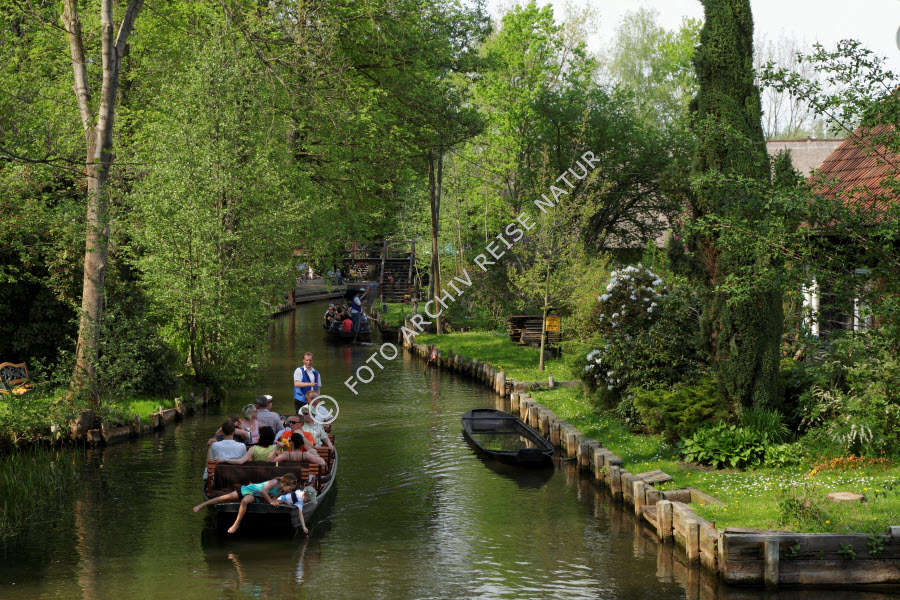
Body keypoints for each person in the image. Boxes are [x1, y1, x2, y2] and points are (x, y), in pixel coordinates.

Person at [193, 473, 299, 534]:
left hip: (256, 497)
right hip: (249, 490)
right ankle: (201, 505)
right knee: (225, 497)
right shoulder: (274, 482)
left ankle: (236, 523)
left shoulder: (281, 491)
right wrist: (271, 501)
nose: (290, 491)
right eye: (291, 488)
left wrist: (282, 501)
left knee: (245, 501)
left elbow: (272, 499)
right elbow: (263, 491)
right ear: (286, 483)